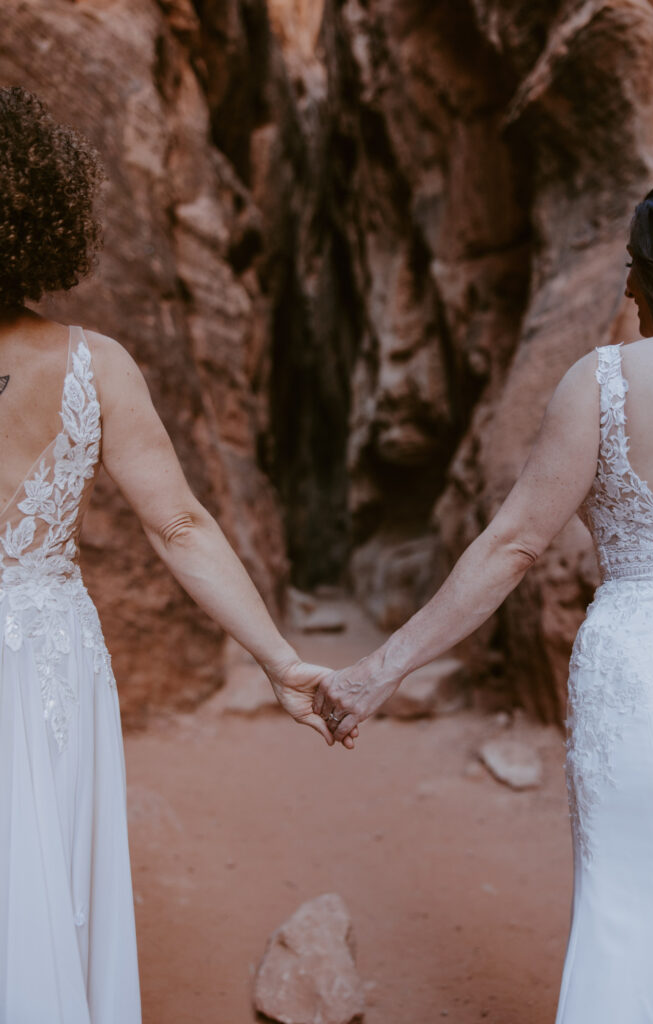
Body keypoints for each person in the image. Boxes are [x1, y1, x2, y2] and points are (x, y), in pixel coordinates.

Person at [0, 86, 356, 1024]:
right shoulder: (95, 364)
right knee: (39, 878)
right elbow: (180, 525)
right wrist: (278, 661)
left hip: (44, 651)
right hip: (43, 651)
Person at [315, 175, 653, 1022]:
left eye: (636, 263)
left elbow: (513, 545)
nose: (626, 286)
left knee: (634, 905)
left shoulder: (606, 382)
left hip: (641, 672)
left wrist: (379, 670)